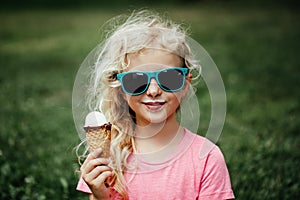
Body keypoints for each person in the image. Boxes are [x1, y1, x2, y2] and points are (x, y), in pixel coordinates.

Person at [75, 10, 235, 200]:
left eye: (168, 78)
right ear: (121, 90)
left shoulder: (207, 158)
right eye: (136, 80)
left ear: (185, 84)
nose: (153, 91)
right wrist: (100, 196)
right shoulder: (109, 156)